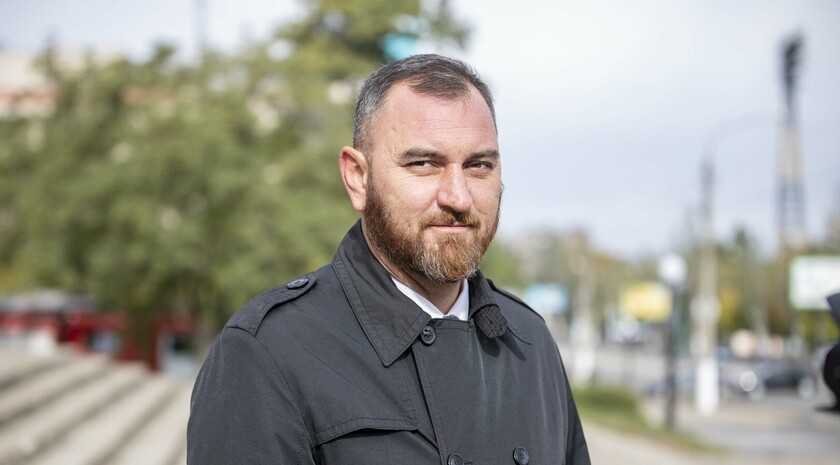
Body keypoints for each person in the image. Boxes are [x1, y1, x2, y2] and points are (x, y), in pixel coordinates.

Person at [188, 54, 590, 465]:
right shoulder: (268, 353)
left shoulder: (530, 342)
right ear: (358, 178)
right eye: (424, 164)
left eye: (478, 165)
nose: (458, 197)